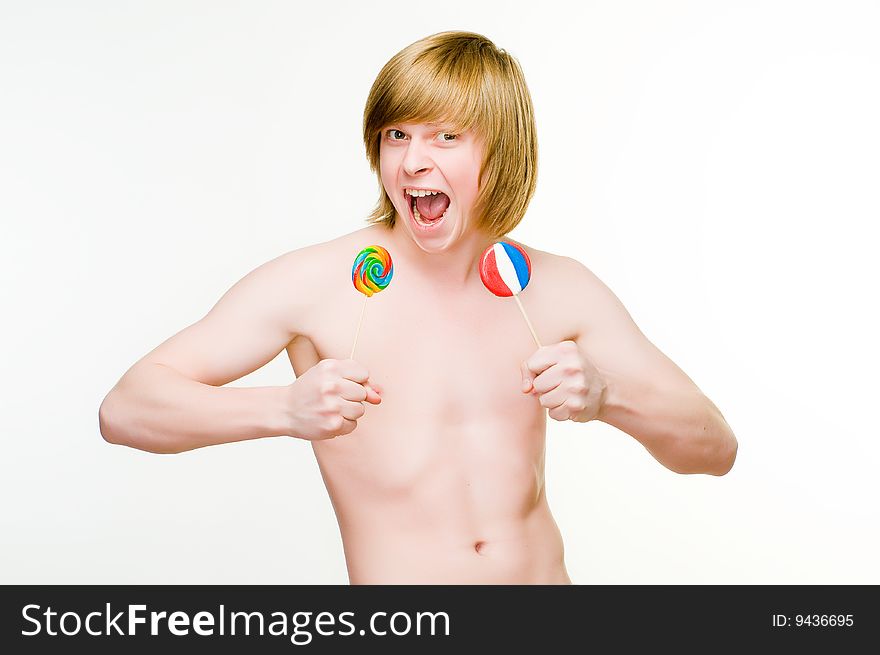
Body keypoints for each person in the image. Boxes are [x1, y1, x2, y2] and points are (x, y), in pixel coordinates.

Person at [99, 31, 737, 584]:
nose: (412, 162)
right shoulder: (315, 283)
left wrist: (608, 397)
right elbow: (126, 409)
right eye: (395, 135)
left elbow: (714, 448)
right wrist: (282, 408)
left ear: (502, 149)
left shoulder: (559, 288)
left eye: (447, 136)